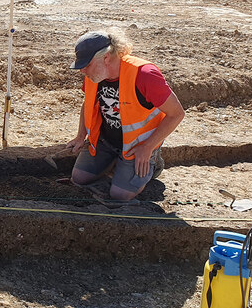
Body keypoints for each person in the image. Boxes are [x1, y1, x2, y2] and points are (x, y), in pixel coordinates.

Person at [66, 30, 184, 201]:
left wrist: (148, 147)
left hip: (137, 145)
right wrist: (80, 135)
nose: (82, 71)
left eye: (86, 65)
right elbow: (89, 103)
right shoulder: (95, 74)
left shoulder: (144, 75)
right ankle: (117, 162)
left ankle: (153, 161)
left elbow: (177, 114)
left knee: (120, 195)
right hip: (106, 140)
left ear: (106, 57)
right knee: (79, 178)